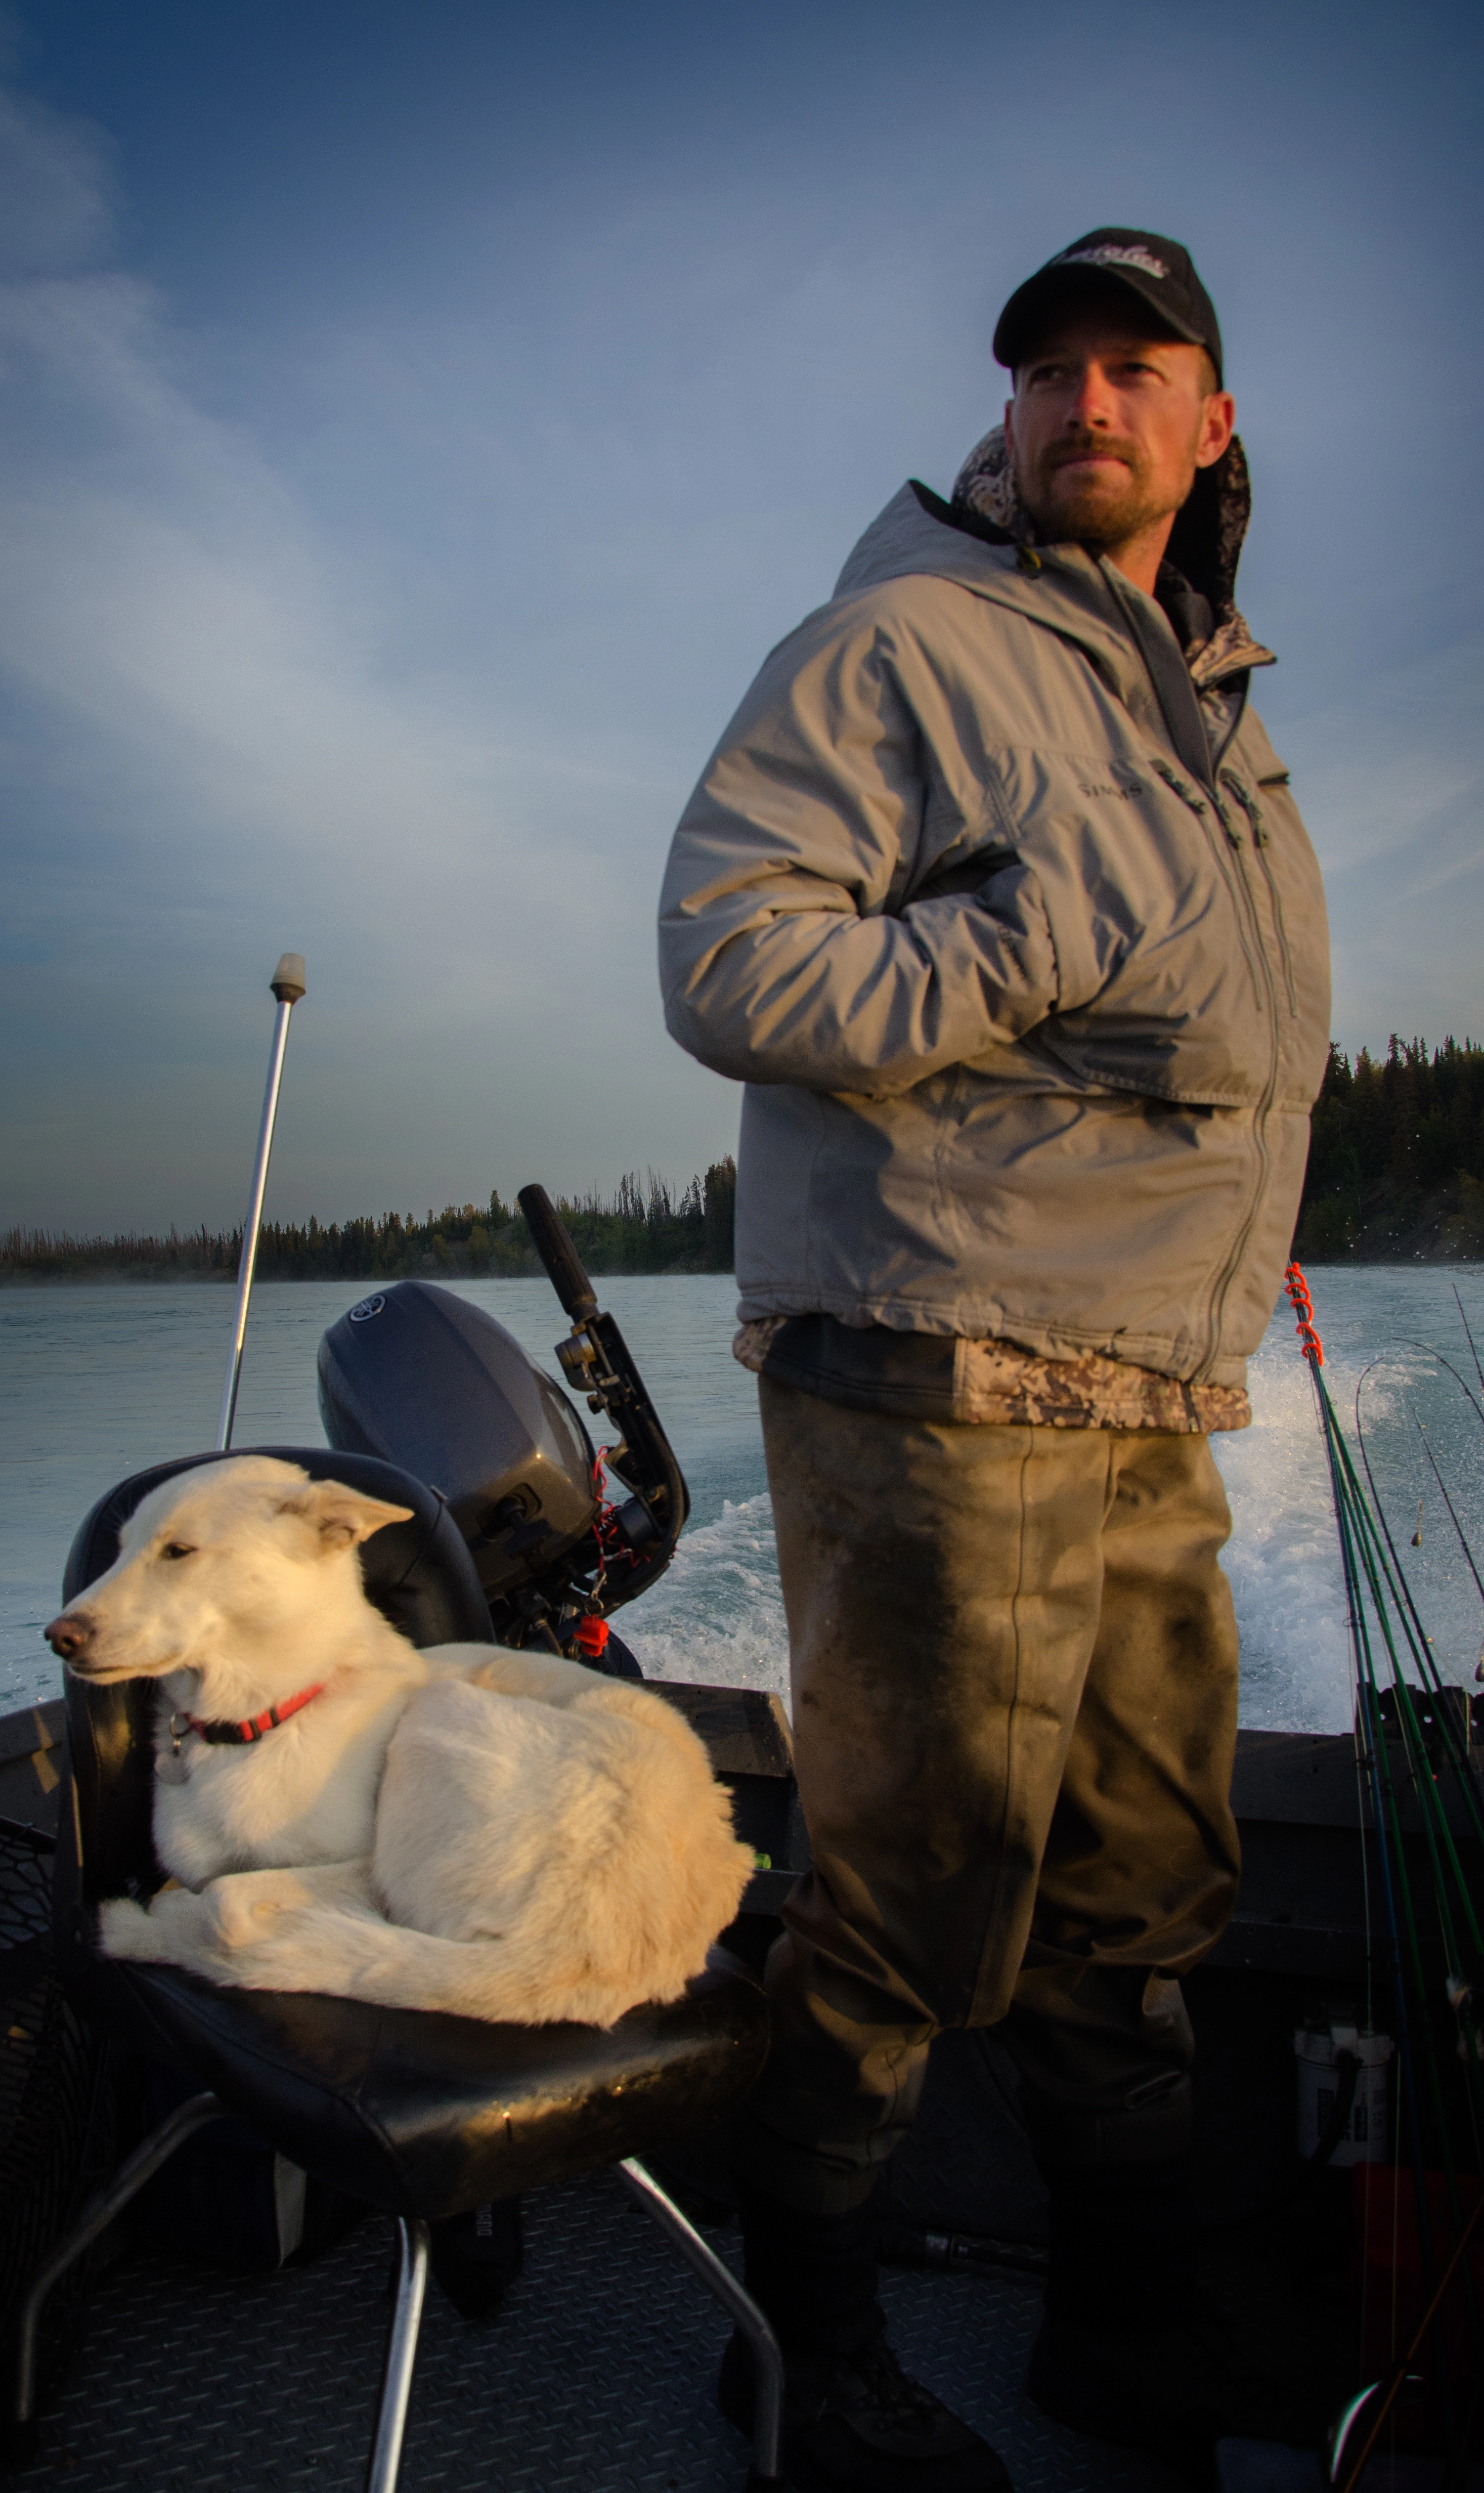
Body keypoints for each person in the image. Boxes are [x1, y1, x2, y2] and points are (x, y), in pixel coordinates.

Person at [658, 230, 1331, 2491]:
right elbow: (737, 963)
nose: (1082, 402)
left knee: (1146, 1881)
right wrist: (1043, 926)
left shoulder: (1204, 693)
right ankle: (806, 2337)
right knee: (912, 1895)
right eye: (1047, 371)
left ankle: (1128, 2321)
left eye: (1134, 367)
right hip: (938, 1376)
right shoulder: (905, 642)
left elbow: (1214, 1035)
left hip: (1146, 1379)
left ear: (1212, 422)